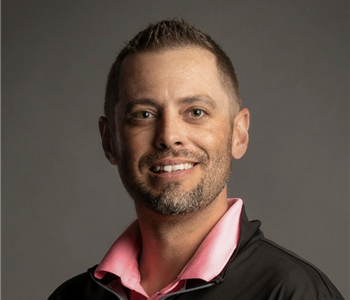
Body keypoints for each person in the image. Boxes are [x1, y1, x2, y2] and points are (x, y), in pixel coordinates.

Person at [49, 19, 344, 300]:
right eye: (144, 114)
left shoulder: (293, 292)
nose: (169, 135)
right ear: (109, 141)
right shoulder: (70, 297)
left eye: (196, 112)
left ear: (238, 135)